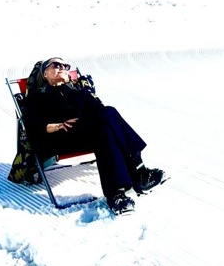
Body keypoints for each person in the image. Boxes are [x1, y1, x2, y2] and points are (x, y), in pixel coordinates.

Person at [22, 57, 164, 214]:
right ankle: (139, 172)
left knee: (106, 128)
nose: (62, 67)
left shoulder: (76, 91)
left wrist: (85, 92)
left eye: (65, 66)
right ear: (45, 73)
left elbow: (99, 109)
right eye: (56, 65)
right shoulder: (37, 96)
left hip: (85, 132)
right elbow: (32, 126)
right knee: (108, 116)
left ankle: (116, 195)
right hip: (60, 137)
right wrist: (58, 125)